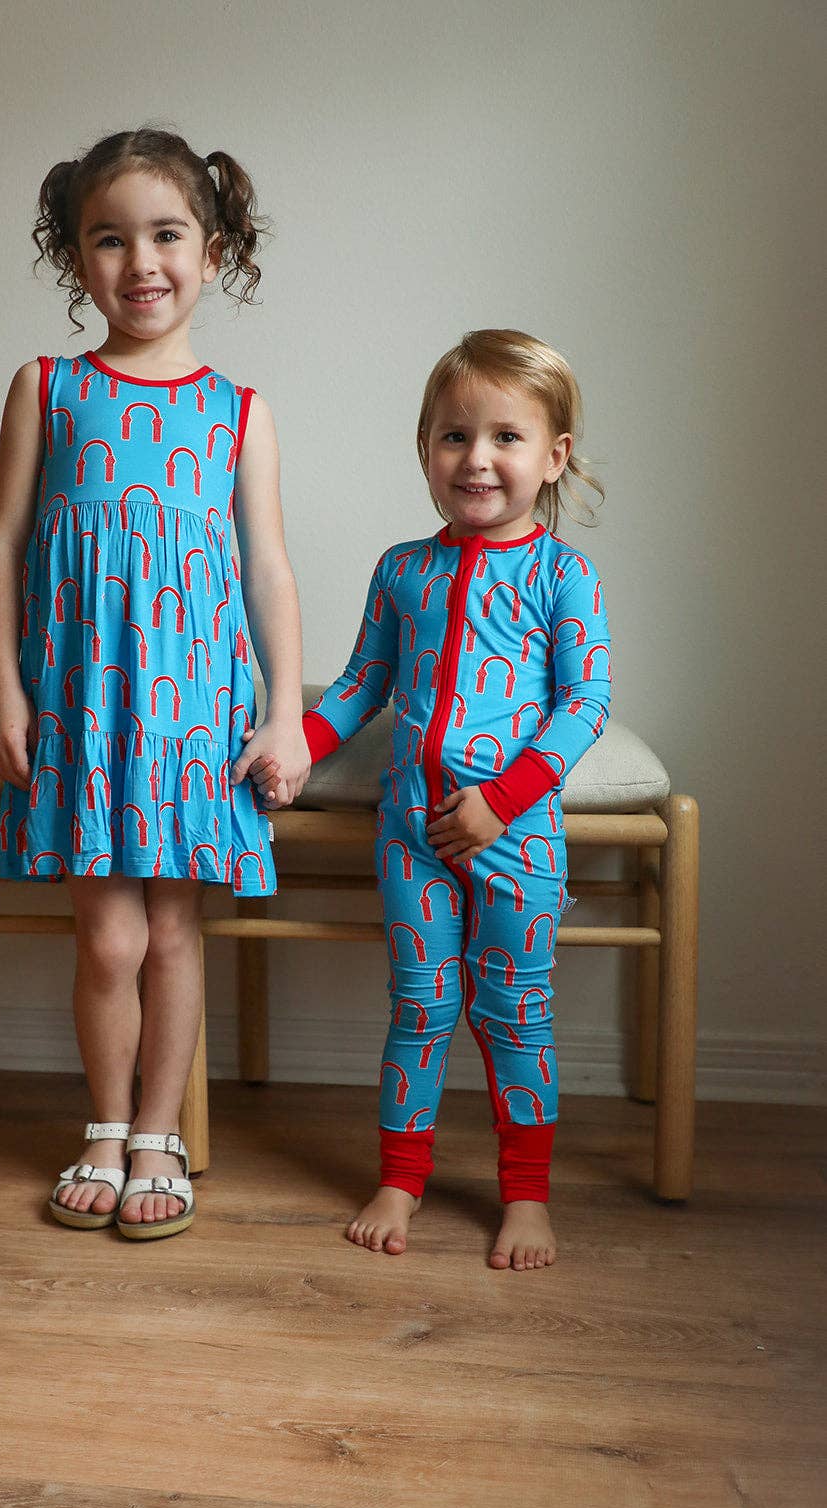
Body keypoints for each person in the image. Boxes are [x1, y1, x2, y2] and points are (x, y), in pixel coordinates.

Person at [0, 128, 309, 1240]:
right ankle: (105, 1126)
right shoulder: (45, 387)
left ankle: (159, 1133)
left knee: (172, 932)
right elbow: (2, 545)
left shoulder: (241, 411)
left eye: (166, 234)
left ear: (212, 252)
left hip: (190, 711)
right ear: (76, 261)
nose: (140, 261)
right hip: (78, 701)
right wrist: (4, 695)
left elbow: (266, 567)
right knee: (107, 938)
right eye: (107, 239)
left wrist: (282, 712)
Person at [254, 330, 610, 1268]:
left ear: (552, 457)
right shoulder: (400, 568)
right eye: (454, 436)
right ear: (424, 450)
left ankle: (525, 1196)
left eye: (505, 437)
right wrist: (299, 747)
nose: (478, 458)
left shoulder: (562, 575)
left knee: (513, 1014)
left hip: (513, 837)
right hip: (409, 832)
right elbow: (363, 683)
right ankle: (400, 1178)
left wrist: (504, 800)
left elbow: (585, 704)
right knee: (416, 1007)